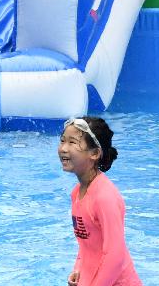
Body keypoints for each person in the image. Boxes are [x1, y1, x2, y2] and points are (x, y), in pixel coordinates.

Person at [59, 117, 141, 286]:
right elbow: (87, 244)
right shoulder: (77, 193)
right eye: (62, 141)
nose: (63, 149)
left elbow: (115, 255)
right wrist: (78, 269)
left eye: (73, 142)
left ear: (95, 153)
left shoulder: (105, 197)